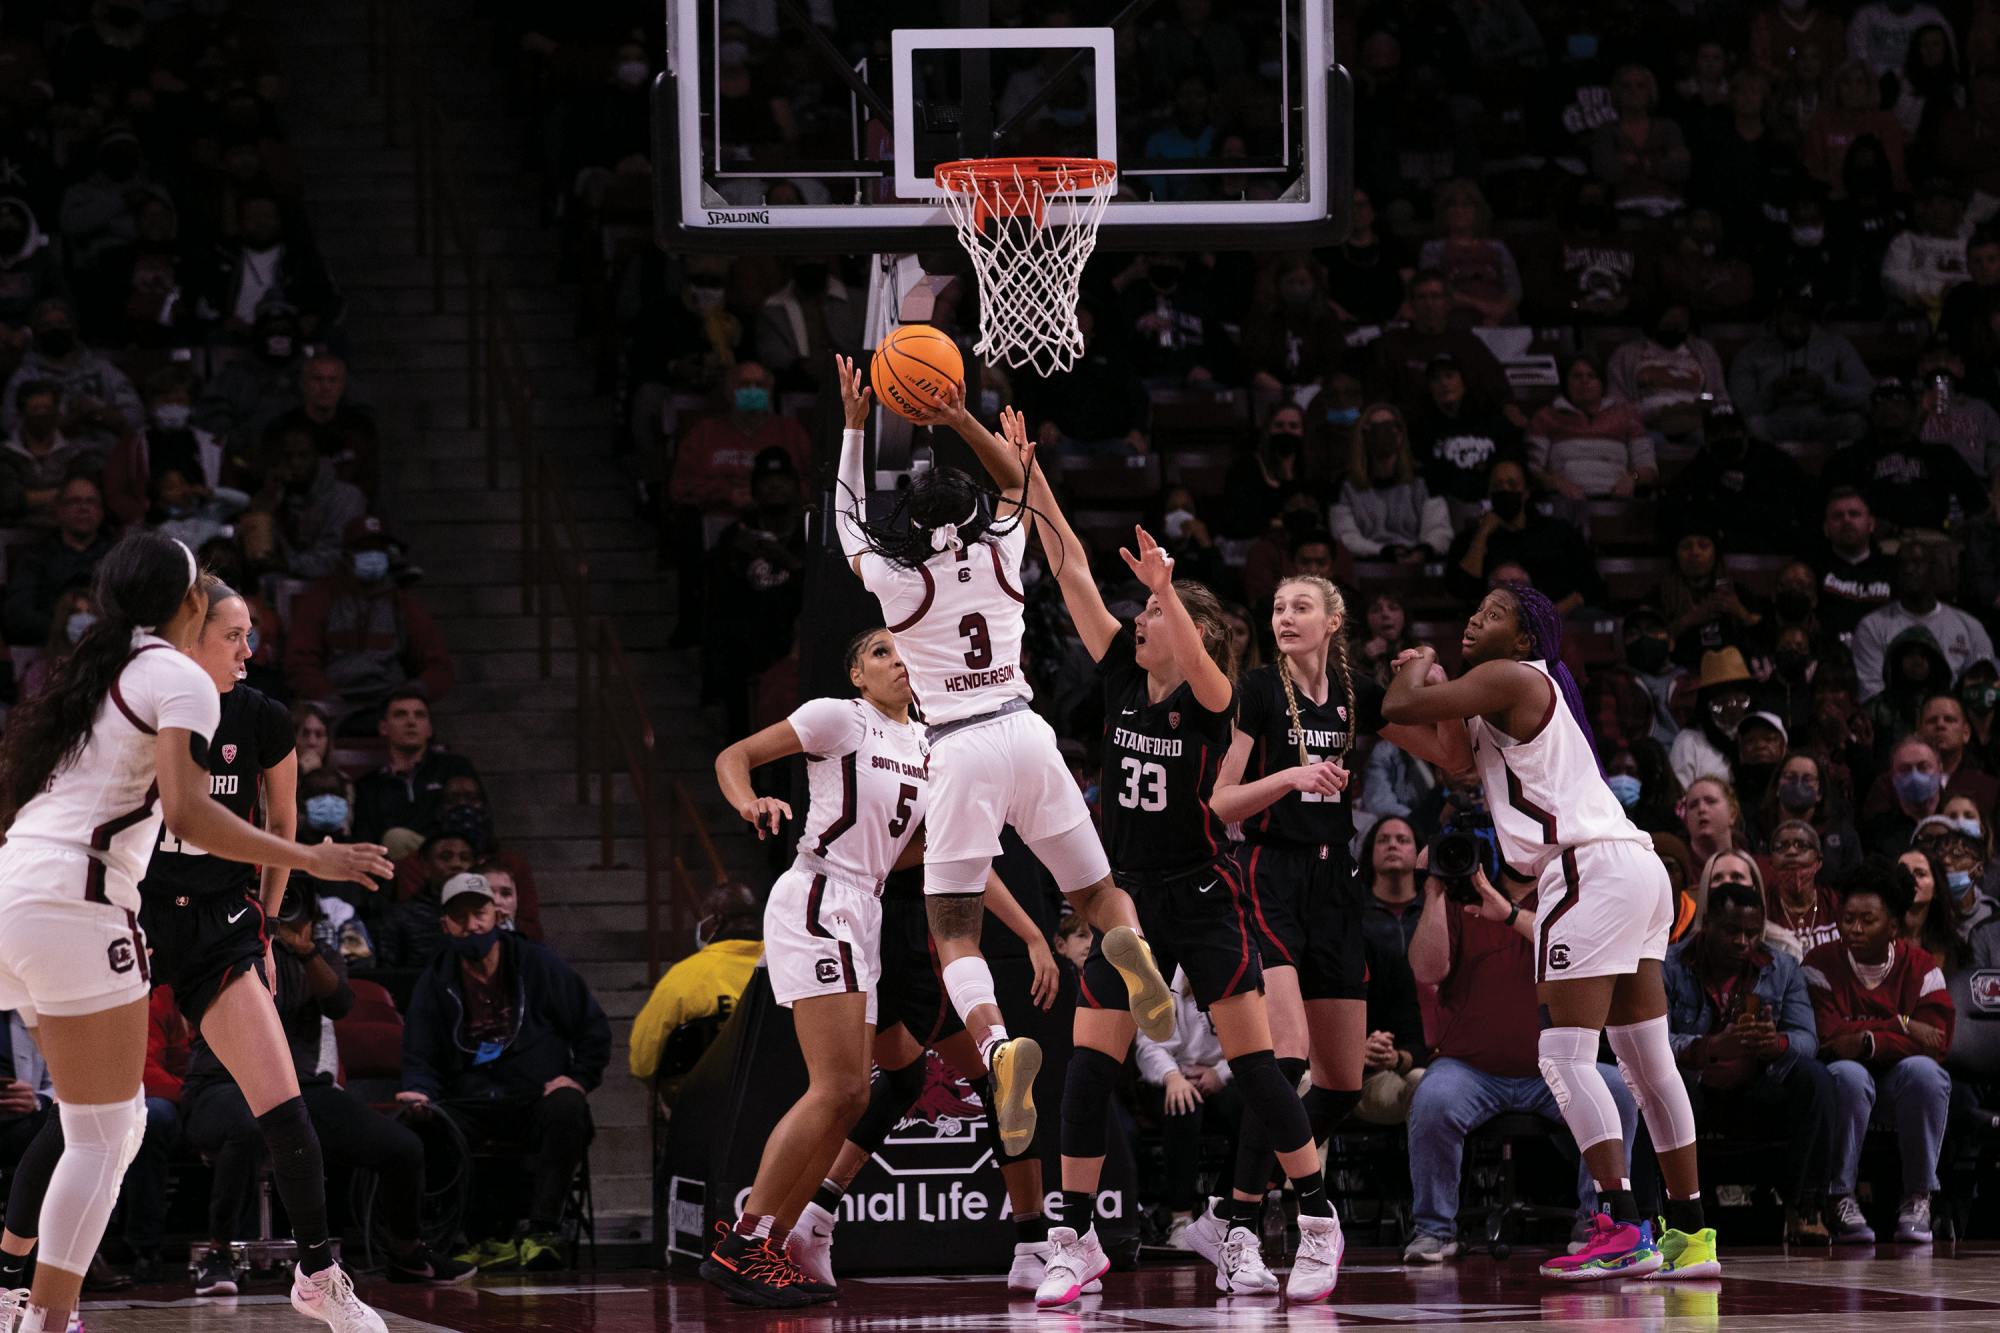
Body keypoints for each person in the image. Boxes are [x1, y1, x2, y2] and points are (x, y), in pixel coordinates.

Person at [0, 531, 391, 1333]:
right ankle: (36, 1309)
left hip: (30, 894)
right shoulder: (173, 677)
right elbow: (188, 813)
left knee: (105, 1126)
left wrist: (272, 916)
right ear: (185, 608)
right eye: (231, 627)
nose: (250, 646)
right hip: (93, 906)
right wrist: (314, 854)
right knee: (101, 1135)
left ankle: (31, 1303)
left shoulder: (100, 673)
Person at [1028, 500, 1396, 1305]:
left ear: (1192, 632)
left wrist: (1169, 583)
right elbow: (1072, 572)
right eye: (1145, 608)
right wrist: (1030, 481)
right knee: (1086, 1073)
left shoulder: (1214, 699)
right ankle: (1074, 1237)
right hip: (1128, 902)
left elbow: (1203, 661)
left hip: (1203, 892)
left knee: (1262, 1070)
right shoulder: (1121, 674)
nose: (1139, 618)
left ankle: (1317, 1220)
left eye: (1155, 612)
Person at [830, 359, 1173, 1139]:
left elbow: (848, 520)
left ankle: (996, 1042)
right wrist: (961, 420)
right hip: (1028, 730)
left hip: (956, 745)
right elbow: (1020, 483)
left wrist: (856, 423)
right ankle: (1131, 949)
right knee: (1094, 894)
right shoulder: (1004, 547)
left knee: (953, 927)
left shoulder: (897, 581)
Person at [1383, 582, 1717, 1280]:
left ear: (1528, 638)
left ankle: (1621, 1222)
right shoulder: (1502, 700)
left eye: (1494, 613)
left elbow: (1402, 703)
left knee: (1564, 1057)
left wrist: (1416, 663)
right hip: (1634, 867)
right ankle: (1689, 1230)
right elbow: (1431, 744)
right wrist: (1418, 690)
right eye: (1473, 608)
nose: (1475, 617)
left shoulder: (1513, 675)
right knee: (1647, 1063)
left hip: (1585, 866)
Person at [1202, 550, 1461, 1290]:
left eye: (1300, 607)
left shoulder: (1356, 692)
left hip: (1335, 879)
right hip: (1269, 873)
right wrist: (1288, 775)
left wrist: (1429, 681)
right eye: (1279, 607)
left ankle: (1233, 1204)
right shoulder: (1254, 690)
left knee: (1342, 1083)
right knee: (1285, 1059)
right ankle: (1246, 1226)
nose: (1284, 617)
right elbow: (1221, 802)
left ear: (1333, 621)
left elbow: (1451, 754)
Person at [694, 627, 934, 1308]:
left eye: (904, 651)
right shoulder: (839, 716)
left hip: (866, 906)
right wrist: (750, 800)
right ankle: (741, 1241)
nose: (898, 661)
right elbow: (734, 754)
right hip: (818, 893)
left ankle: (771, 1241)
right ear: (856, 673)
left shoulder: (922, 743)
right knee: (833, 1086)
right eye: (882, 652)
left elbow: (897, 854)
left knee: (857, 1093)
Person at [784, 860, 1062, 1296]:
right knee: (1002, 1083)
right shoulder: (935, 794)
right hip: (917, 932)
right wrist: (1032, 935)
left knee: (897, 1079)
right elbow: (969, 862)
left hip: (853, 927)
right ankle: (1033, 1248)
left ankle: (814, 1217)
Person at [179, 884, 471, 1292]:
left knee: (403, 1147)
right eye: (276, 906)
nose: (285, 914)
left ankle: (406, 1251)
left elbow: (340, 1004)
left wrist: (306, 951)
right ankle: (218, 1253)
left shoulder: (316, 956)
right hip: (220, 1083)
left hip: (297, 1087)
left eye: (294, 908)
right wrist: (257, 938)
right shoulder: (228, 947)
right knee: (245, 1128)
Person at [1402, 860, 1640, 1262]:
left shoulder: (1570, 897)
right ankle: (1434, 1230)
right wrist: (1435, 892)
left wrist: (1510, 914)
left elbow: (1577, 949)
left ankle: (1596, 1222)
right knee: (1432, 1100)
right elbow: (1426, 969)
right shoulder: (1464, 897)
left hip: (1557, 1067)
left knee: (1618, 1091)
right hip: (1469, 1067)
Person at [396, 874, 608, 1273]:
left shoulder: (537, 963)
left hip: (534, 1097)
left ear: (496, 915)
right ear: (445, 926)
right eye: (460, 918)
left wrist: (579, 1077)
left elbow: (592, 1026)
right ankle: (478, 1237)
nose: (472, 925)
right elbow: (419, 1053)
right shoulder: (434, 980)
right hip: (471, 1101)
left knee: (568, 1106)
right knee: (426, 1123)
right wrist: (419, 1091)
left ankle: (543, 1231)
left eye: (479, 913)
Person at [1663, 880, 1836, 1244]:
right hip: (1697, 1085)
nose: (1743, 941)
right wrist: (1709, 1046)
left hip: (1757, 1083)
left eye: (1752, 933)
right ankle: (1670, 1214)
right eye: (1732, 931)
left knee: (1816, 1078)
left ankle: (1806, 1209)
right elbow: (1654, 1041)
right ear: (1706, 924)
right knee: (1662, 1085)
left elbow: (1808, 1039)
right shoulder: (1670, 966)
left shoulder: (1783, 967)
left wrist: (1777, 1044)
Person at [1805, 858, 1956, 1245]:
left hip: (1899, 1089)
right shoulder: (1820, 964)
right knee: (1848, 1074)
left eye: (1866, 920)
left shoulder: (1921, 967)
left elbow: (1937, 1039)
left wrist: (1867, 1040)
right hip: (1849, 1089)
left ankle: (1919, 1197)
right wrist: (1902, 1024)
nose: (1853, 928)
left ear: (1893, 927)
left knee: (1925, 1073)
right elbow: (1830, 1037)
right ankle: (1840, 1196)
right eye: (1848, 918)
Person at [284, 517, 456, 726]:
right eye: (364, 550)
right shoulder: (321, 599)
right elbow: (300, 661)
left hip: (390, 703)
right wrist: (326, 697)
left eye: (379, 550)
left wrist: (413, 693)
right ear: (347, 556)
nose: (373, 557)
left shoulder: (402, 604)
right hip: (334, 703)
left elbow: (438, 665)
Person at [628, 882, 763, 1089]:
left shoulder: (683, 978)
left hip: (701, 1106)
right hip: (779, 1103)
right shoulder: (790, 967)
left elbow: (643, 1063)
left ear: (715, 921)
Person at [1851, 541, 1994, 702]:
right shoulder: (1872, 626)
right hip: (1892, 720)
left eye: (1917, 563)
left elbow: (1986, 687)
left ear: (1935, 571)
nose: (1908, 570)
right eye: (1902, 564)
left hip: (1953, 720)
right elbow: (1871, 694)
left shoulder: (1970, 627)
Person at [348, 687, 479, 843]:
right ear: (384, 728)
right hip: (391, 862)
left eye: (420, 715)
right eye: (400, 715)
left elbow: (477, 821)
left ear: (429, 729)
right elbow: (365, 839)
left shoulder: (455, 768)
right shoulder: (368, 786)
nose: (411, 722)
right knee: (395, 838)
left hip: (449, 857)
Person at [1526, 353, 1656, 500]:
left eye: (1591, 376)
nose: (1584, 381)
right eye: (1577, 376)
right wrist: (1555, 483)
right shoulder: (1545, 417)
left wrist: (1632, 478)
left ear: (1602, 383)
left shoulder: (1627, 416)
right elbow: (1533, 472)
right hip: (1564, 502)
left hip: (1617, 502)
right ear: (1565, 383)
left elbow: (1648, 469)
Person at [1812, 487, 1897, 639]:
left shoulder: (1894, 569)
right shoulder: (1811, 571)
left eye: (1854, 514)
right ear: (1826, 528)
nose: (1847, 520)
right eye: (1838, 516)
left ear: (1871, 524)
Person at [1768, 819, 1845, 955]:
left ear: (1818, 862)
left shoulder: (1837, 905)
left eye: (1802, 845)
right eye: (1782, 846)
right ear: (1771, 864)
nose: (1791, 851)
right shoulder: (1763, 909)